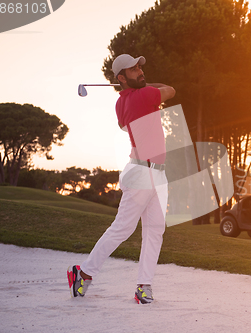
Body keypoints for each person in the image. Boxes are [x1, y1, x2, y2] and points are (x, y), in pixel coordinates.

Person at [67, 54, 175, 304]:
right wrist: (149, 84)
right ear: (121, 77)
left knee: (155, 231)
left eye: (140, 67)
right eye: (134, 69)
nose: (140, 71)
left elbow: (122, 121)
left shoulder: (122, 102)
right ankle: (82, 273)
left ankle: (143, 286)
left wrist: (137, 84)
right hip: (142, 172)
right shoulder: (144, 95)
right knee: (123, 228)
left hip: (157, 172)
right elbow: (171, 90)